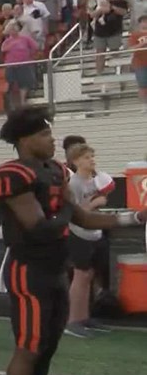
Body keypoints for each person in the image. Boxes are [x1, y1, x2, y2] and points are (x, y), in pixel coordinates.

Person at [0, 105, 146, 375]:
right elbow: (40, 227)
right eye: (45, 133)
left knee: (46, 348)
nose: (52, 139)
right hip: (28, 270)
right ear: (25, 139)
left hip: (54, 268)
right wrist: (65, 209)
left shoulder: (55, 170)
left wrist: (135, 217)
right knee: (28, 349)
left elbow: (83, 219)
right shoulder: (12, 173)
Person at [64, 143, 117, 338]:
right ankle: (73, 321)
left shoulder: (94, 181)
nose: (92, 160)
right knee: (80, 277)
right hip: (79, 234)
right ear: (76, 161)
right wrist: (97, 202)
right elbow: (77, 213)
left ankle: (84, 317)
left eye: (92, 156)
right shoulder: (73, 184)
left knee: (89, 277)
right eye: (87, 157)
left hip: (94, 233)